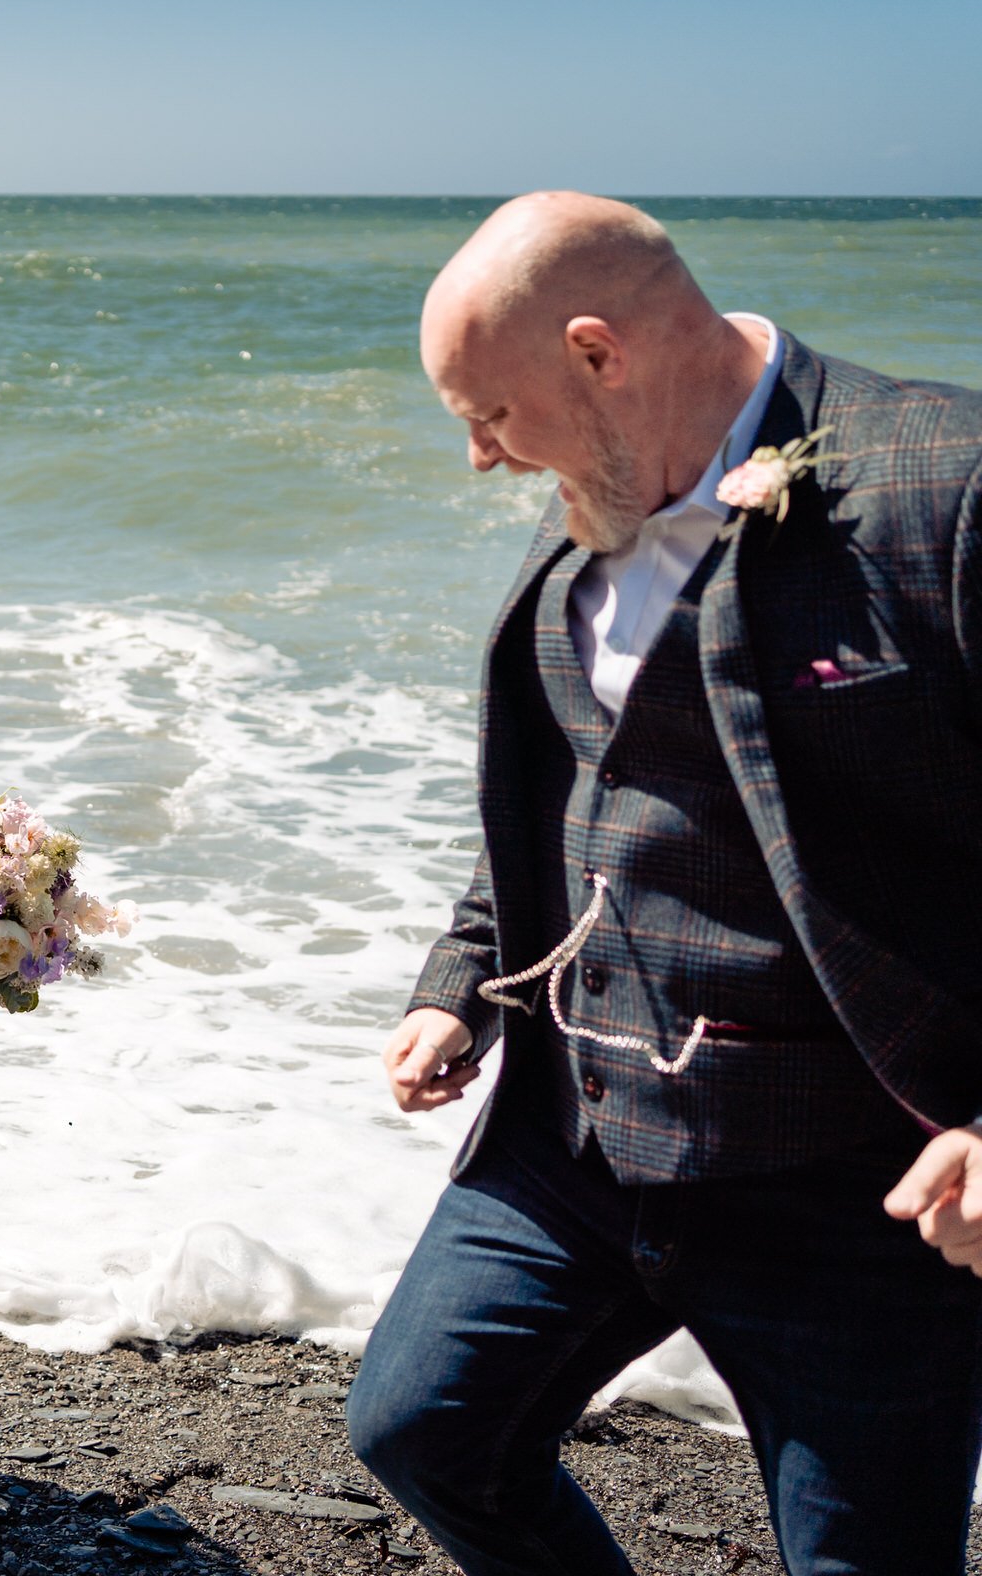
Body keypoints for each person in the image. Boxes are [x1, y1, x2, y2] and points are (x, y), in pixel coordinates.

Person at [346, 192, 982, 1573]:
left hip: (850, 1183)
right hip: (577, 1132)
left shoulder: (950, 482)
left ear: (598, 353)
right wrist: (465, 978)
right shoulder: (603, 475)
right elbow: (577, 777)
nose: (479, 458)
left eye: (490, 415)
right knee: (427, 1428)